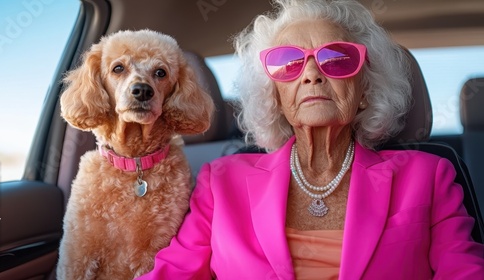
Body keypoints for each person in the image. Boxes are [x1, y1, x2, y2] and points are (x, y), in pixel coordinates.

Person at [137, 0, 484, 279]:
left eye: (337, 59)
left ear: (365, 89)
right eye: (288, 62)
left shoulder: (430, 176)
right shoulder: (221, 181)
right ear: (273, 94)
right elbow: (172, 272)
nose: (313, 74)